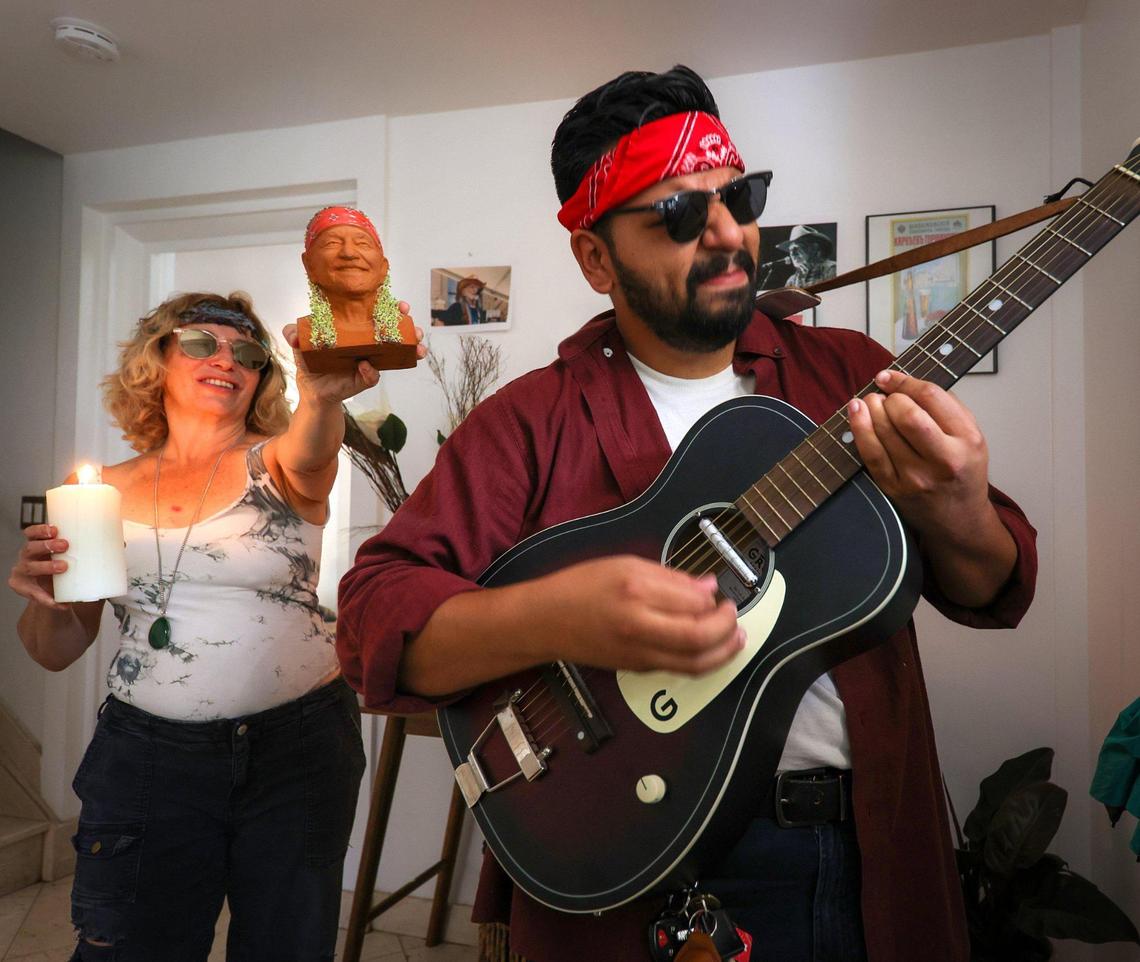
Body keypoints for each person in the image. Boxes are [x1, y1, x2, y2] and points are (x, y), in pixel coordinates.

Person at [337, 65, 1037, 962]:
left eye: (737, 196)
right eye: (675, 214)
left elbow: (992, 580)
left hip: (859, 850)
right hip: (623, 869)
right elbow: (368, 622)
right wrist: (557, 616)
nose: (727, 233)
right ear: (596, 259)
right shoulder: (528, 421)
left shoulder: (848, 375)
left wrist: (960, 504)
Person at [9, 289, 424, 961]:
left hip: (299, 751)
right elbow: (56, 650)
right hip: (148, 759)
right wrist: (45, 601)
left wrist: (322, 397)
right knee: (134, 948)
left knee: (285, 948)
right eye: (202, 342)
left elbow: (315, 449)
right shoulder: (96, 494)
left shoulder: (285, 463)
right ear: (158, 359)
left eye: (250, 354)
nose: (226, 359)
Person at [780, 223, 837, 288]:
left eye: (796, 248)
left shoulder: (832, 269)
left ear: (814, 248)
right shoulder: (792, 280)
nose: (792, 254)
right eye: (790, 250)